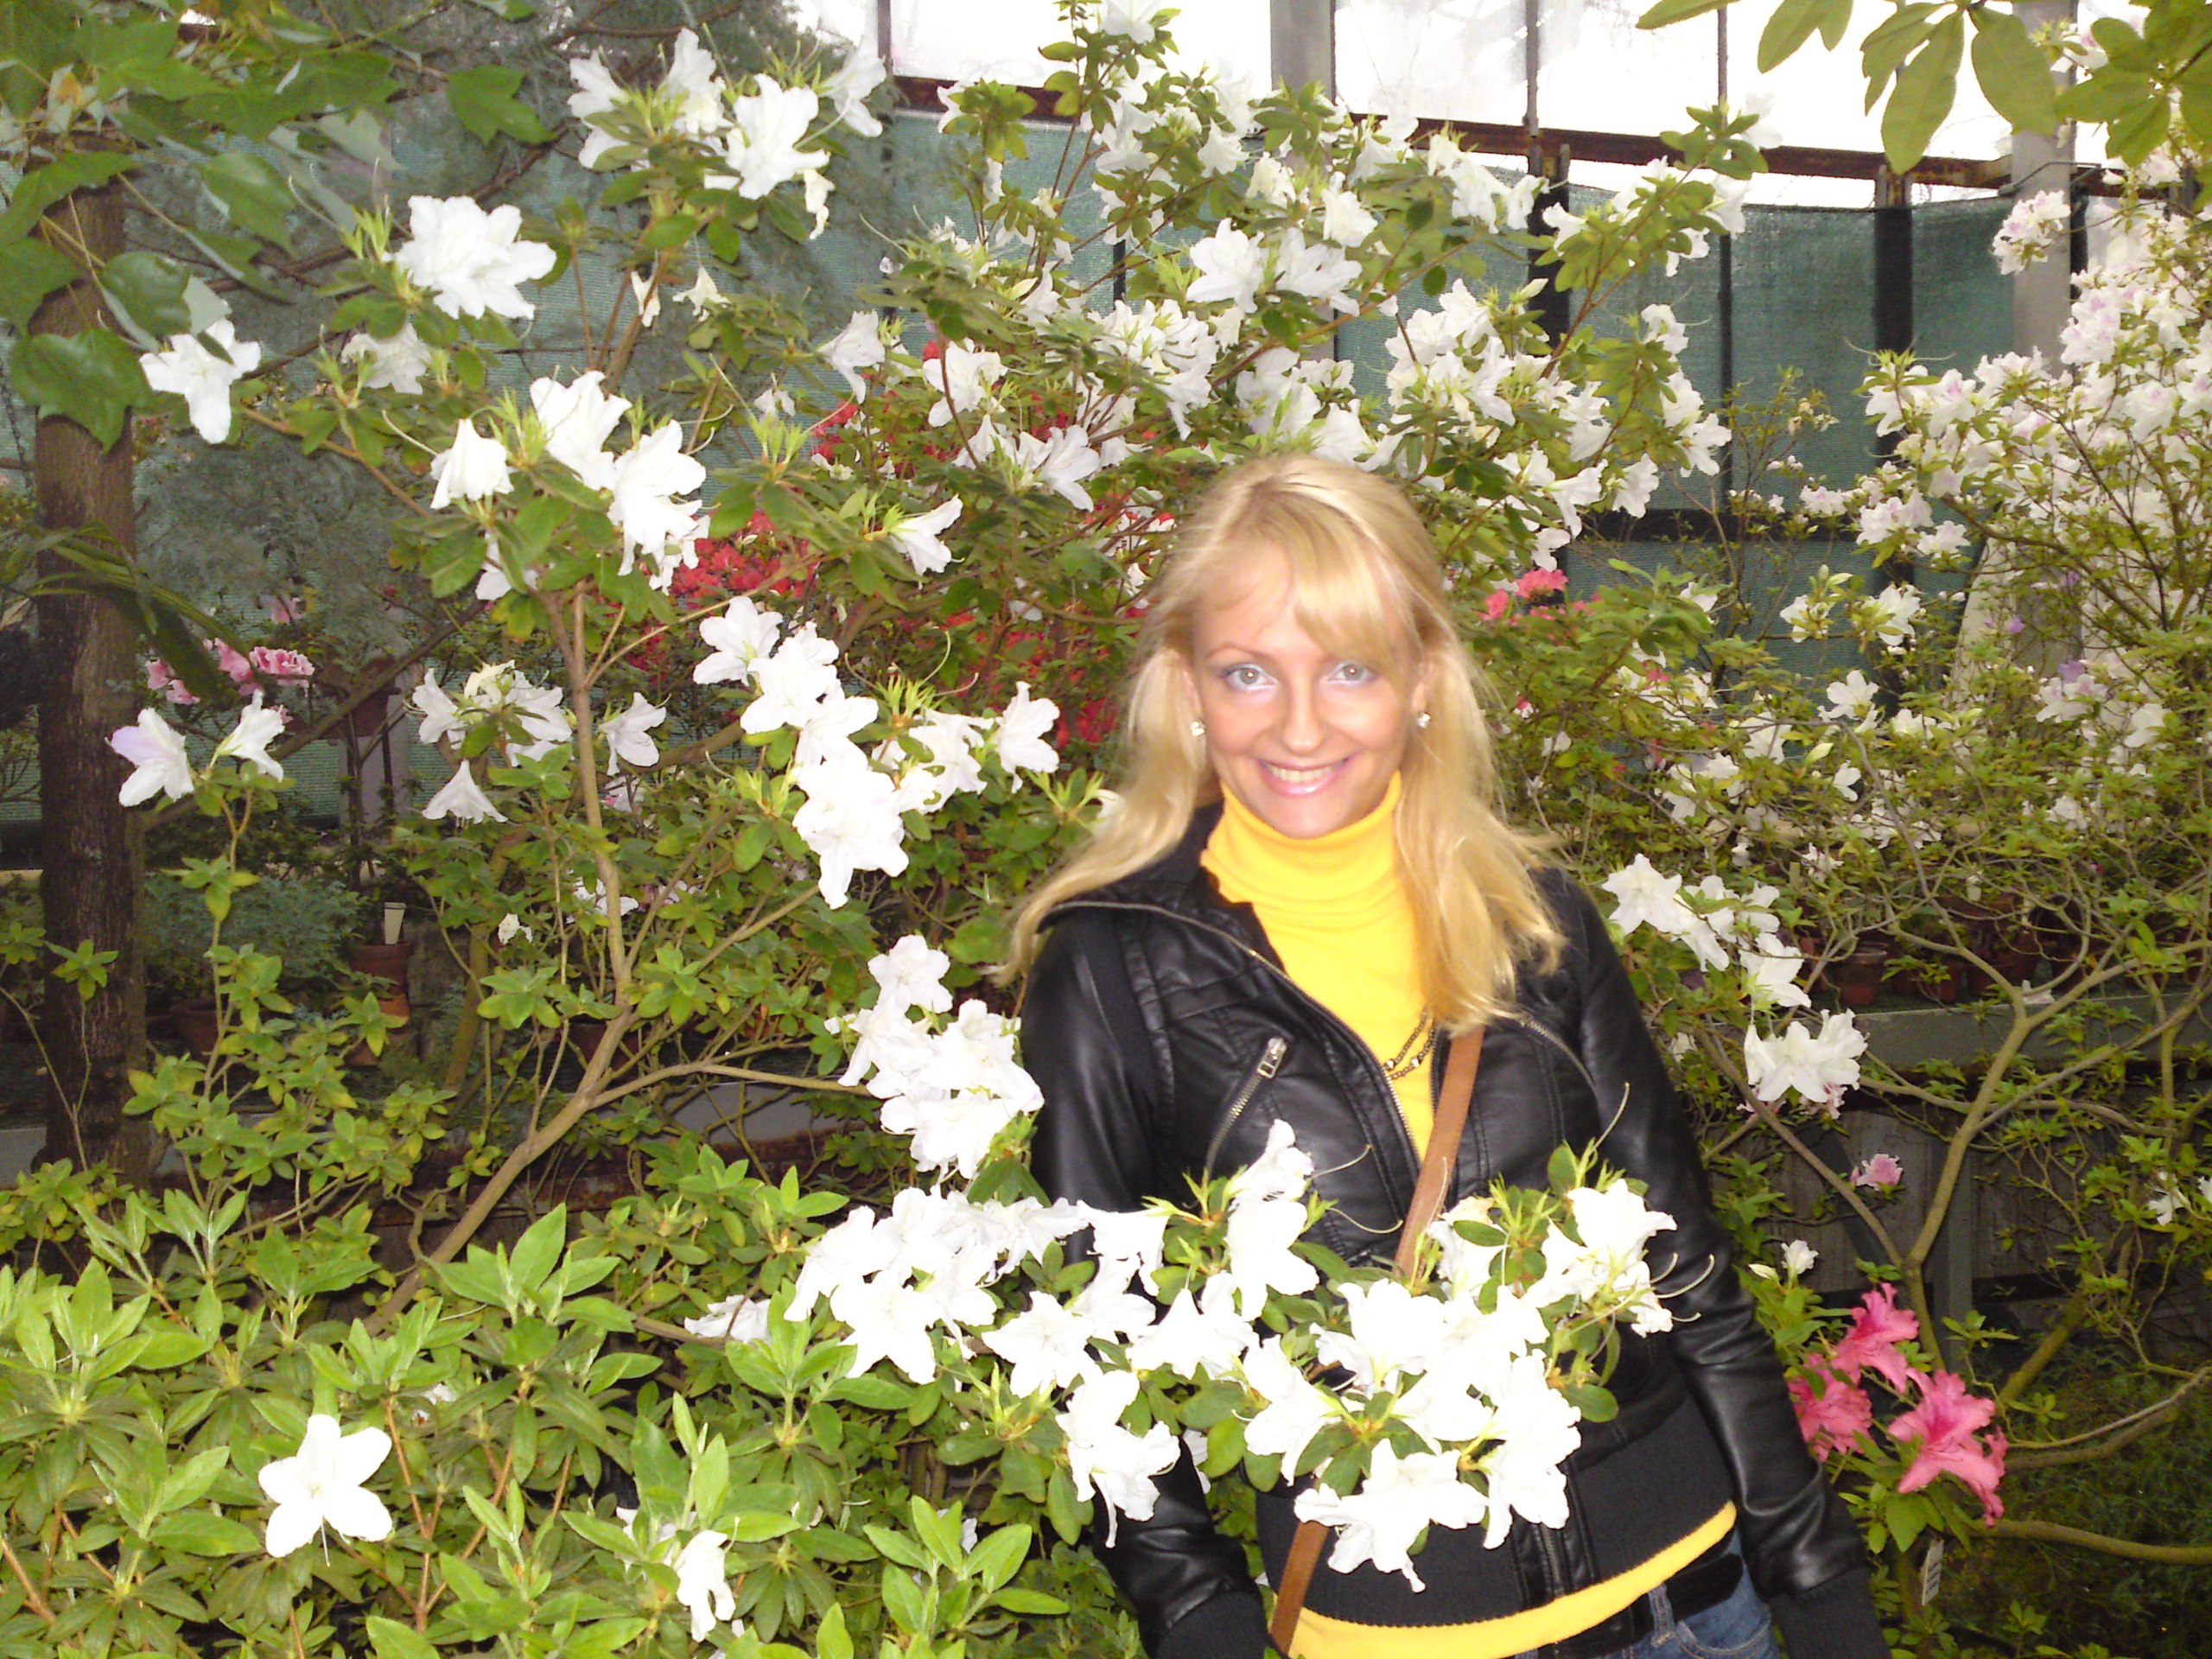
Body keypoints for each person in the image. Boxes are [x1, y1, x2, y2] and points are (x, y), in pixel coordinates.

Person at [1004, 455, 1887, 1659]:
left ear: (1423, 680)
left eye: (1350, 669)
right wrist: (1202, 1616)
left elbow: (1687, 1269)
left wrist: (1818, 1576)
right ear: (1188, 686)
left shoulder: (1532, 917)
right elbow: (1088, 1339)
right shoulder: (1112, 970)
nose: (1299, 726)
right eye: (1249, 671)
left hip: (1697, 1610)